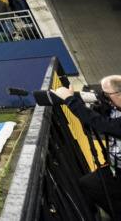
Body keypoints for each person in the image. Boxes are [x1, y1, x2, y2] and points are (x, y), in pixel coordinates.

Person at [53, 75, 121, 217]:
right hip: (116, 168)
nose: (104, 97)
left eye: (106, 94)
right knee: (89, 183)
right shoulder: (115, 107)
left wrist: (70, 100)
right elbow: (98, 117)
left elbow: (104, 125)